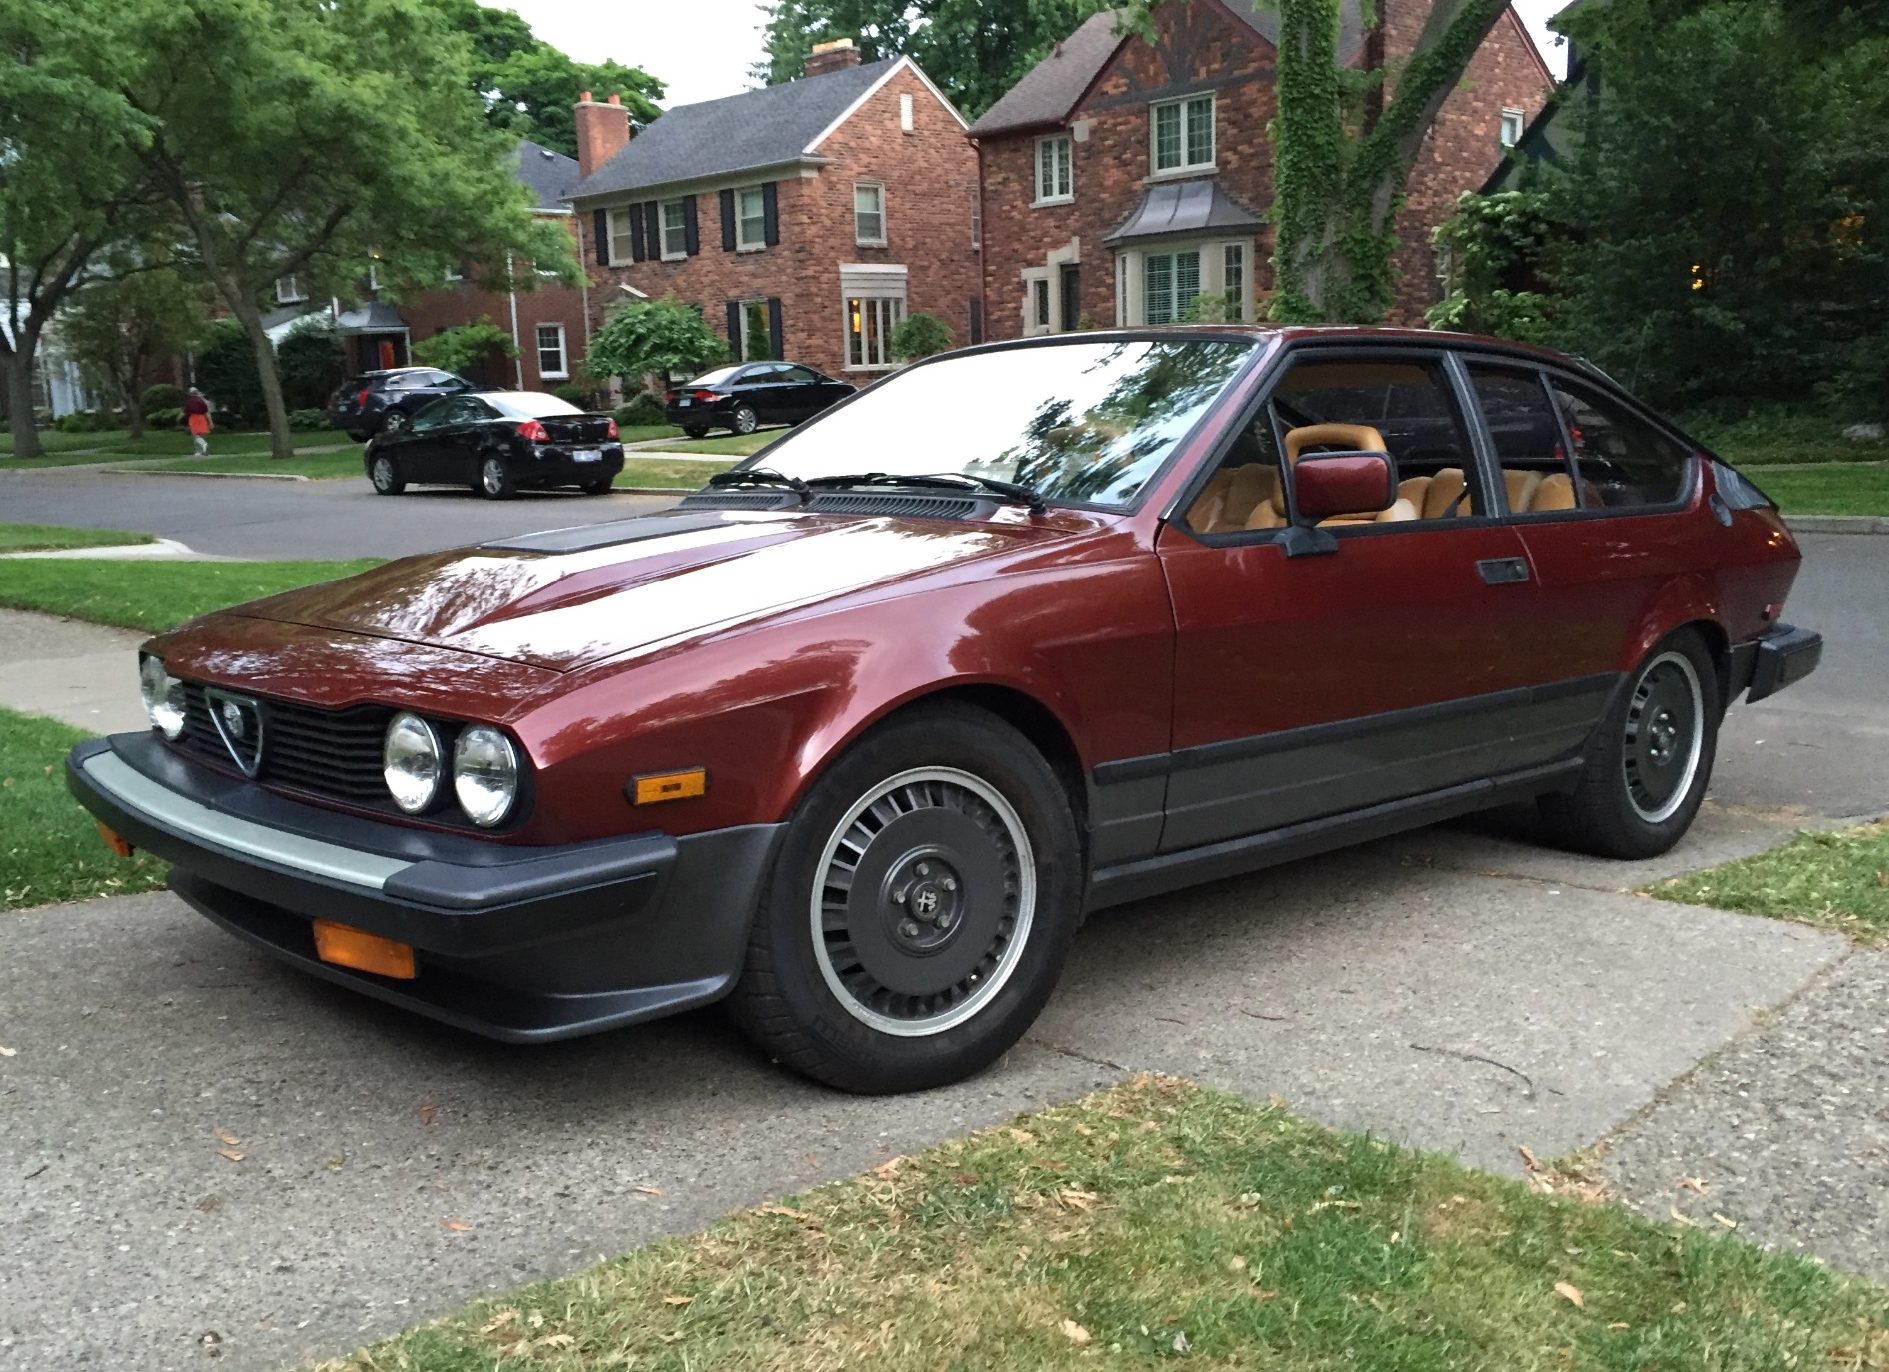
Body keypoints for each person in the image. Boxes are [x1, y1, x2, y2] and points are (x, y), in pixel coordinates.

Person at [183, 387, 212, 457]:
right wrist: (210, 422)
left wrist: (178, 418)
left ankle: (199, 450)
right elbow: (207, 412)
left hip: (194, 417)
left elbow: (184, 411)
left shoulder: (189, 401)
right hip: (202, 418)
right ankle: (203, 450)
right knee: (202, 434)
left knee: (195, 435)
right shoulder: (202, 401)